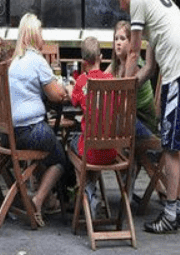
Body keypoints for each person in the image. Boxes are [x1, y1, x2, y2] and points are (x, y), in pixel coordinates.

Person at [114, 0, 180, 234]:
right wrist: (132, 86)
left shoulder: (138, 0)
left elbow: (133, 53)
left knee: (171, 147)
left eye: (119, 0)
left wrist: (121, 90)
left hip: (178, 71)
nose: (121, 6)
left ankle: (170, 215)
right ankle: (179, 209)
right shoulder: (153, 3)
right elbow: (149, 67)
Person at [7, 12, 68, 227]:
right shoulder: (37, 61)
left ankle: (49, 199)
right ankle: (38, 199)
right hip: (31, 131)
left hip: (10, 134)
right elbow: (57, 96)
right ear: (34, 35)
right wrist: (65, 89)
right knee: (60, 159)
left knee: (46, 152)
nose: (43, 36)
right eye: (41, 32)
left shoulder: (15, 62)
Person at [66, 35, 115, 220]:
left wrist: (71, 89)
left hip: (90, 152)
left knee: (70, 144)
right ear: (100, 58)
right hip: (111, 151)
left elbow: (74, 101)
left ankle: (87, 191)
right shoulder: (111, 79)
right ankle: (92, 190)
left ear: (83, 62)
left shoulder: (81, 82)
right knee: (93, 144)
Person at [108, 20, 159, 137]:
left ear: (131, 42)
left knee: (112, 119)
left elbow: (123, 103)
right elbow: (101, 79)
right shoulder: (116, 64)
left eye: (122, 38)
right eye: (116, 39)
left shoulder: (135, 67)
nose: (118, 43)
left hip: (143, 124)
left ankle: (113, 154)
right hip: (127, 118)